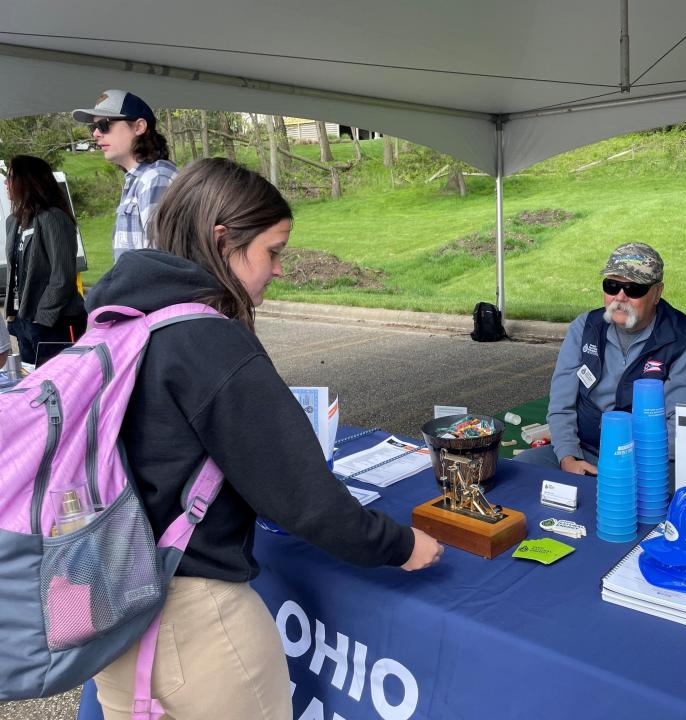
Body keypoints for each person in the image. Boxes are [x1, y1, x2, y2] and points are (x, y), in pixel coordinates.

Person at [87, 158, 443, 720]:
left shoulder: (118, 320)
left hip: (110, 605)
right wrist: (400, 546)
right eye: (273, 251)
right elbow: (304, 498)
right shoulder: (210, 342)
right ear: (222, 238)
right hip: (195, 620)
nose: (278, 269)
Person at [518, 242, 686, 474]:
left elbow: (680, 429)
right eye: (611, 286)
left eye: (634, 289)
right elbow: (561, 405)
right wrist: (568, 457)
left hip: (650, 461)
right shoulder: (584, 327)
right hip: (584, 451)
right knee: (522, 470)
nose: (620, 297)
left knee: (666, 499)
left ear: (657, 293)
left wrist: (620, 467)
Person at [72, 89, 177, 260]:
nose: (95, 134)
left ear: (139, 127)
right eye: (93, 127)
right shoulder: (138, 180)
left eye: (104, 125)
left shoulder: (156, 179)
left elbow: (161, 263)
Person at [4, 155, 87, 366]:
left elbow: (62, 275)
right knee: (32, 385)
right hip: (24, 321)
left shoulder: (54, 218)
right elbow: (14, 272)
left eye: (11, 177)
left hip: (55, 321)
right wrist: (14, 315)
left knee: (60, 384)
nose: (6, 183)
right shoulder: (13, 221)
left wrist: (43, 318)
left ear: (28, 180)